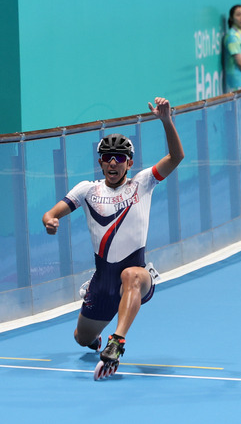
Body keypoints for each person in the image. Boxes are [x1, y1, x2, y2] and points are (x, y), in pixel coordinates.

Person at [42, 97, 184, 372]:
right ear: (100, 162)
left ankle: (116, 341)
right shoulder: (87, 190)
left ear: (129, 163)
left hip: (136, 275)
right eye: (108, 158)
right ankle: (96, 341)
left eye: (119, 158)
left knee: (131, 275)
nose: (113, 163)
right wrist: (50, 221)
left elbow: (176, 157)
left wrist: (166, 120)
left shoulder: (142, 183)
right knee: (81, 339)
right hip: (102, 282)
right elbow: (52, 213)